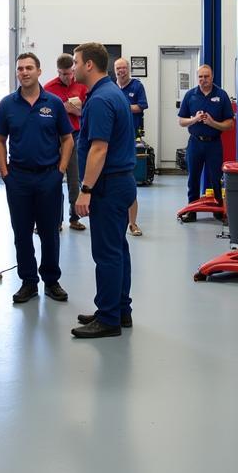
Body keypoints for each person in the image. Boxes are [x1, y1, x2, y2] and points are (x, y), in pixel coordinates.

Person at [0, 52, 74, 304]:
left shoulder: (54, 103)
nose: (24, 72)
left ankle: (51, 281)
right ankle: (28, 282)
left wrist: (60, 170)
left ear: (39, 71)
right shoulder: (7, 104)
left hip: (49, 177)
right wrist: (5, 173)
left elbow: (67, 139)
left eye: (29, 68)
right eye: (20, 69)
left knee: (50, 232)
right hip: (19, 179)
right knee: (21, 233)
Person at [72, 42, 137, 339]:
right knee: (118, 249)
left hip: (108, 185)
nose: (73, 68)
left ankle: (109, 318)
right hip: (121, 181)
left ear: (89, 65)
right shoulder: (113, 93)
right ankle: (119, 309)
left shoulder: (100, 100)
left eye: (75, 62)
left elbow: (98, 148)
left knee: (107, 253)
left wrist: (85, 189)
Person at [177, 64, 235, 221]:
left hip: (214, 144)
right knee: (193, 178)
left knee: (216, 178)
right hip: (195, 143)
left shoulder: (221, 95)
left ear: (212, 77)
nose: (203, 80)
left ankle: (218, 210)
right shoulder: (190, 95)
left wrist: (212, 123)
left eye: (206, 76)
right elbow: (181, 121)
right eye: (201, 77)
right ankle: (192, 211)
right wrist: (195, 119)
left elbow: (230, 124)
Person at [43, 53, 88, 231]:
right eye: (62, 74)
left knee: (74, 179)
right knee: (53, 179)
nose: (66, 77)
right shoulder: (48, 88)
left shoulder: (82, 86)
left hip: (75, 135)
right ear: (58, 72)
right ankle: (55, 220)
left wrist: (79, 111)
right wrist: (61, 109)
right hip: (54, 138)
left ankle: (74, 218)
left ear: (73, 70)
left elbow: (89, 110)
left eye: (69, 73)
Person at [113, 57, 148, 236]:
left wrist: (121, 106)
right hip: (112, 141)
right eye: (118, 68)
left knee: (129, 182)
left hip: (130, 139)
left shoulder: (137, 86)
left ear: (128, 70)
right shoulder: (111, 87)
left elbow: (141, 107)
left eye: (124, 68)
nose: (121, 71)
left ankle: (132, 223)